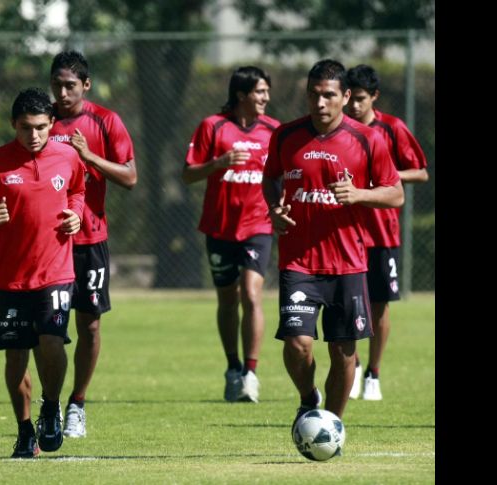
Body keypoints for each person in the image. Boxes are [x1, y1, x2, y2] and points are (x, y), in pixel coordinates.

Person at [260, 60, 404, 429]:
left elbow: (395, 194)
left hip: (348, 262)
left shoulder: (368, 139)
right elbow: (270, 178)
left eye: (328, 95)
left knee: (343, 352)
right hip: (298, 261)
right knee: (297, 343)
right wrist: (274, 210)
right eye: (313, 94)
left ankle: (332, 426)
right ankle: (309, 398)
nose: (320, 102)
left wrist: (359, 194)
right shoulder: (286, 135)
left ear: (345, 96)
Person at [0, 87, 85, 458]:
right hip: (13, 278)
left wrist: (77, 214)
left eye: (41, 127)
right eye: (26, 127)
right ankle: (25, 431)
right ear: (14, 124)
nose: (34, 135)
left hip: (56, 271)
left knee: (52, 341)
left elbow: (78, 190)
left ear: (52, 124)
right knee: (15, 358)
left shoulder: (67, 156)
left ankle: (51, 406)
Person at [47, 50, 136, 437]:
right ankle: (50, 403)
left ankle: (77, 404)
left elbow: (130, 177)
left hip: (90, 240)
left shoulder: (106, 121)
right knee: (49, 328)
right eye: (57, 85)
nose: (63, 93)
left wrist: (88, 156)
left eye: (70, 85)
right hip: (50, 242)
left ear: (86, 85)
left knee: (90, 325)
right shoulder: (41, 121)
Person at [182, 66, 279, 403]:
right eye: (260, 91)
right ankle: (233, 367)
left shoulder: (274, 130)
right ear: (242, 95)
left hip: (258, 226)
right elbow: (188, 174)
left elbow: (284, 173)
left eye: (267, 91)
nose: (266, 97)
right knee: (227, 299)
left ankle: (251, 373)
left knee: (251, 294)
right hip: (220, 228)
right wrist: (218, 163)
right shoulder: (213, 126)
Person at [344, 64, 429, 401]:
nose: (354, 106)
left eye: (361, 99)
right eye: (350, 98)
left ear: (374, 97)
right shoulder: (340, 129)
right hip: (346, 232)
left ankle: (373, 374)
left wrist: (388, 175)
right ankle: (351, 368)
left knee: (379, 306)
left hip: (381, 233)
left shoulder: (392, 128)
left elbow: (420, 172)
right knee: (349, 304)